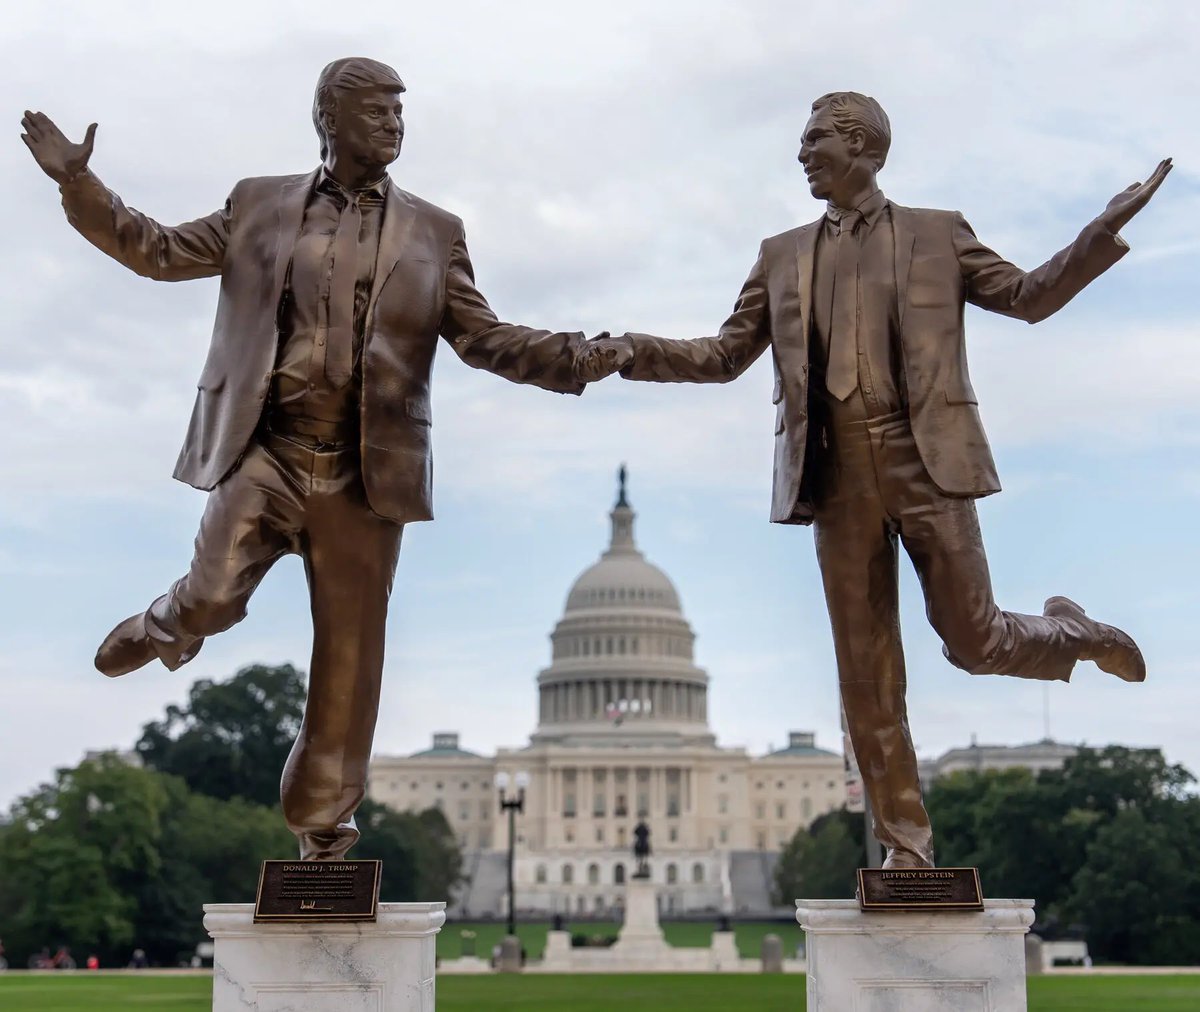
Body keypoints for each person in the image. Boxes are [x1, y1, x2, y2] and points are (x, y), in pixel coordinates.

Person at [577, 91, 1169, 870]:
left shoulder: (938, 233)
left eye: (814, 139)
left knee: (974, 640)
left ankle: (1075, 632)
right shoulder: (781, 253)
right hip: (836, 472)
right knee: (867, 673)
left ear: (865, 147)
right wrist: (632, 349)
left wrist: (1098, 233)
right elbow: (725, 356)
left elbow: (1029, 299)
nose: (801, 154)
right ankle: (906, 847)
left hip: (925, 459)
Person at [21, 57, 590, 861]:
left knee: (349, 664)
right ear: (330, 118)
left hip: (365, 474)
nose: (395, 123)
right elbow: (156, 250)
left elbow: (484, 338)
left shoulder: (435, 230)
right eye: (378, 110)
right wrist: (82, 187)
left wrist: (577, 356)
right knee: (215, 597)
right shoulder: (260, 203)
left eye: (402, 110)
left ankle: (322, 826)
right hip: (268, 451)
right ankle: (168, 623)